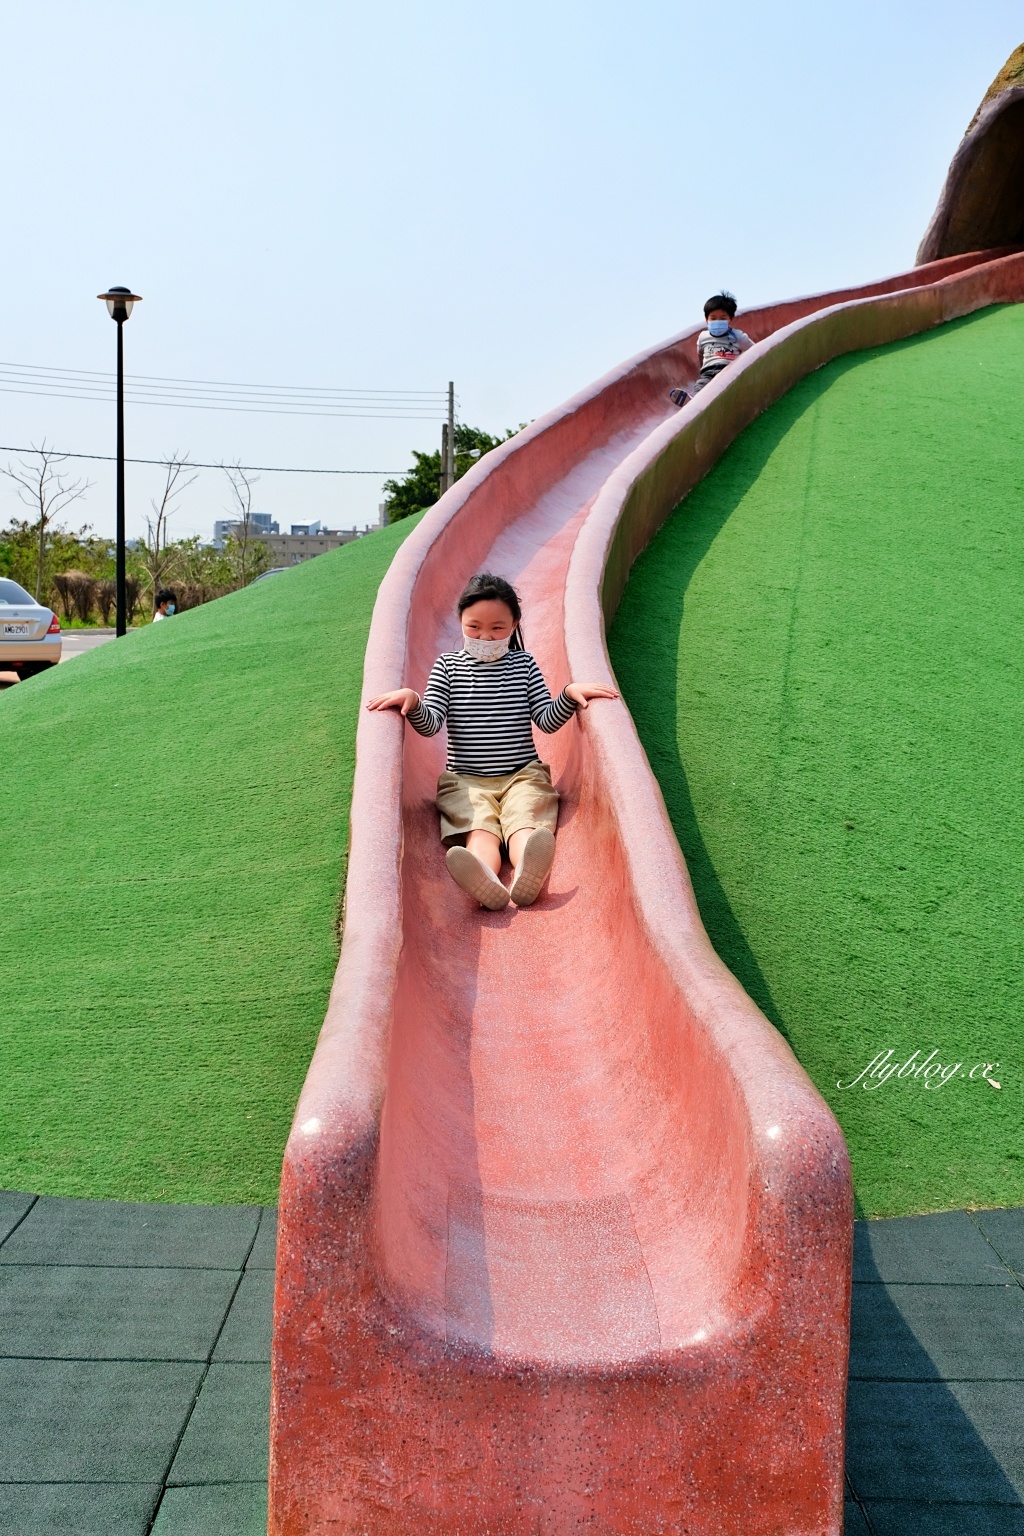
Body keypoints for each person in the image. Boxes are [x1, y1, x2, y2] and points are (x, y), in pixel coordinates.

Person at [366, 572, 617, 911]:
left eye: (497, 628)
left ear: (514, 624)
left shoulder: (524, 665)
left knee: (523, 822)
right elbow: (432, 724)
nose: (485, 636)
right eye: (474, 627)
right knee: (480, 831)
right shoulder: (448, 667)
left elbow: (545, 719)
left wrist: (569, 695)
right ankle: (486, 876)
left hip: (522, 775)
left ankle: (529, 869)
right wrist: (412, 701)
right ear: (460, 621)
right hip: (466, 782)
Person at [669, 291, 753, 406]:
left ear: (730, 318)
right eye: (713, 318)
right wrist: (703, 368)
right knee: (701, 386)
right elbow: (701, 354)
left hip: (728, 369)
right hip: (708, 371)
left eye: (722, 318)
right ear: (706, 319)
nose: (717, 322)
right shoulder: (703, 336)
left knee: (727, 385)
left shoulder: (737, 336)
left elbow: (754, 350)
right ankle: (693, 402)